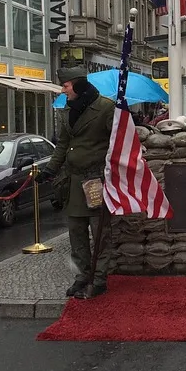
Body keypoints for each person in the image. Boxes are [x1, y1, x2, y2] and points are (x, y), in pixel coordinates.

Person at [36, 66, 115, 299]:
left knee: (100, 233)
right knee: (76, 232)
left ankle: (99, 279)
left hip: (95, 180)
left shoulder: (105, 108)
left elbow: (117, 144)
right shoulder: (67, 110)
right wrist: (50, 170)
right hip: (73, 180)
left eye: (66, 86)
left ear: (78, 86)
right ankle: (83, 275)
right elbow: (62, 144)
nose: (63, 90)